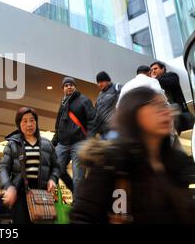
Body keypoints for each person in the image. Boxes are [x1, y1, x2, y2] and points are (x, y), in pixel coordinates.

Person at [71, 87, 195, 224]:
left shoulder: (177, 163)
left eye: (166, 105)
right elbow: (83, 216)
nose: (166, 112)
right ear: (132, 111)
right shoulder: (111, 162)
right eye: (155, 105)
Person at [0, 107, 60, 224]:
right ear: (19, 124)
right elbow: (3, 168)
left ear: (36, 122)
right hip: (20, 195)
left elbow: (56, 167)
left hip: (42, 195)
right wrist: (8, 186)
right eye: (25, 121)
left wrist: (52, 179)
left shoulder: (47, 144)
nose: (29, 124)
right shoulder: (12, 145)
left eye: (32, 120)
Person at [51, 77, 96, 194]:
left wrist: (90, 141)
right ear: (63, 89)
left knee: (78, 177)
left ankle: (78, 203)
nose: (69, 87)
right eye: (66, 85)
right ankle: (75, 192)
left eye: (71, 85)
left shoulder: (84, 100)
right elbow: (58, 125)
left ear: (75, 87)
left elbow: (92, 120)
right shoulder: (63, 102)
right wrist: (53, 143)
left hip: (79, 143)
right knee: (57, 170)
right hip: (63, 144)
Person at [151, 61, 194, 134]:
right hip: (168, 115)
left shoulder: (171, 75)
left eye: (155, 68)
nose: (153, 71)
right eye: (151, 70)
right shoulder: (153, 83)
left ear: (163, 69)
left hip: (180, 111)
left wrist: (155, 80)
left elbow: (170, 83)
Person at [90, 71, 122, 140]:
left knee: (114, 149)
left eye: (102, 81)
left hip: (113, 129)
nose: (100, 84)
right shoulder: (100, 94)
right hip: (102, 131)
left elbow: (125, 100)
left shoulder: (116, 87)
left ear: (108, 80)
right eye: (98, 82)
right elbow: (97, 111)